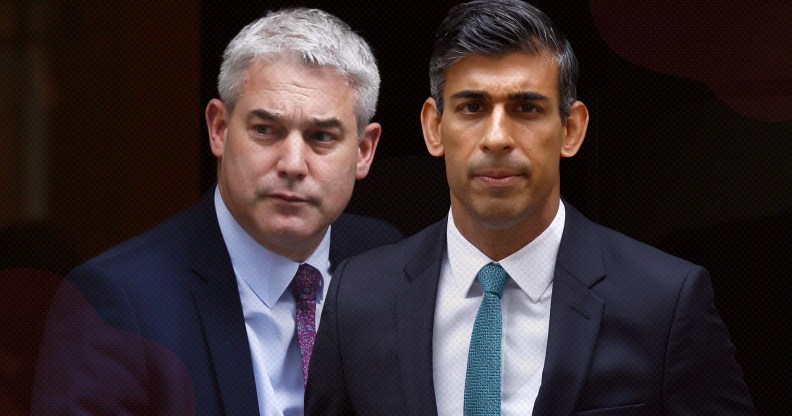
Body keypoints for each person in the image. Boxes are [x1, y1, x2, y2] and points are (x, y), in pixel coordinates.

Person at [305, 1, 756, 414]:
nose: (497, 136)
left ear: (571, 129)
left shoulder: (664, 301)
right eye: (472, 107)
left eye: (526, 107)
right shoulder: (357, 298)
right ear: (434, 127)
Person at [32, 7, 402, 416]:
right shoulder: (116, 305)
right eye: (266, 130)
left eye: (321, 137)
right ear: (219, 129)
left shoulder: (389, 263)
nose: (293, 163)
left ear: (364, 151)